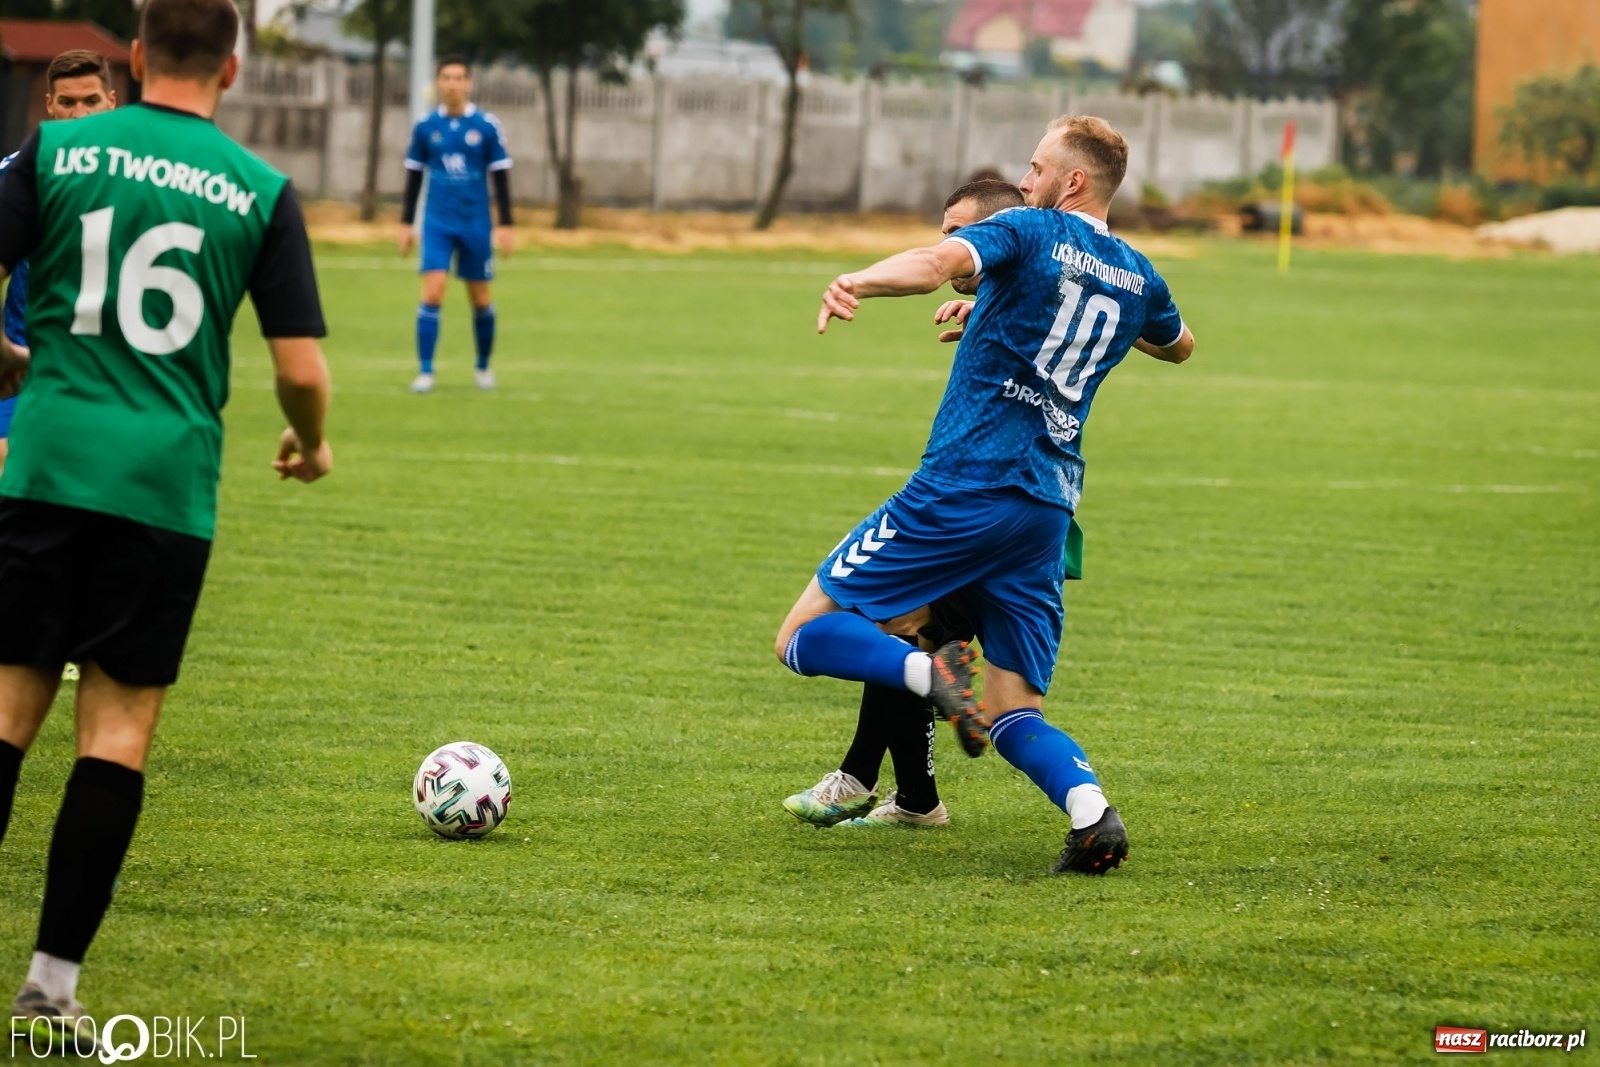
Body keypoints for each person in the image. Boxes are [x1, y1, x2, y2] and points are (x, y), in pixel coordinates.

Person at [0, 0, 333, 1030]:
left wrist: (14, 357)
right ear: (232, 70)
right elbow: (300, 370)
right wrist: (311, 441)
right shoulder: (258, 189)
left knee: (6, 713)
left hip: (45, 466)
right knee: (115, 733)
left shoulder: (53, 152)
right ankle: (51, 988)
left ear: (137, 58)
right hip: (162, 491)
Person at [777, 115, 1195, 874]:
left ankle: (926, 674)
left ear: (1072, 181)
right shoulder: (1140, 274)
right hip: (1046, 510)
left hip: (965, 485)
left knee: (803, 634)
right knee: (1012, 710)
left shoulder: (1029, 228)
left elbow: (935, 263)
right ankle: (1092, 815)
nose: (1025, 182)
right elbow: (1179, 345)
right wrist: (1023, 315)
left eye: (1036, 168)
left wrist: (856, 281)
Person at [782, 179, 1027, 831]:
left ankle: (868, 779)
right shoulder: (1029, 293)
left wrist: (857, 282)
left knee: (872, 624)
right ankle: (909, 795)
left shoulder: (1029, 279)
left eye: (959, 233)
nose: (949, 245)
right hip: (1022, 512)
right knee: (906, 630)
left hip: (977, 506)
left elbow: (928, 269)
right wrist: (985, 312)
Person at [0, 49, 120, 477]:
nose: (78, 114)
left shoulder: (139, 181)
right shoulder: (14, 177)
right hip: (29, 368)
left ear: (111, 101)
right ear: (49, 105)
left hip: (110, 372)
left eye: (91, 101)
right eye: (67, 102)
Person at [399, 55, 513, 394]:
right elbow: (414, 175)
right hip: (437, 222)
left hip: (476, 222)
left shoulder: (486, 126)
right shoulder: (425, 127)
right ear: (438, 83)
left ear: (468, 83)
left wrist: (506, 224)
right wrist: (406, 223)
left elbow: (500, 175)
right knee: (433, 292)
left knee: (480, 299)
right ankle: (425, 371)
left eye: (458, 78)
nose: (452, 84)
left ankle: (483, 367)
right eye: (446, 77)